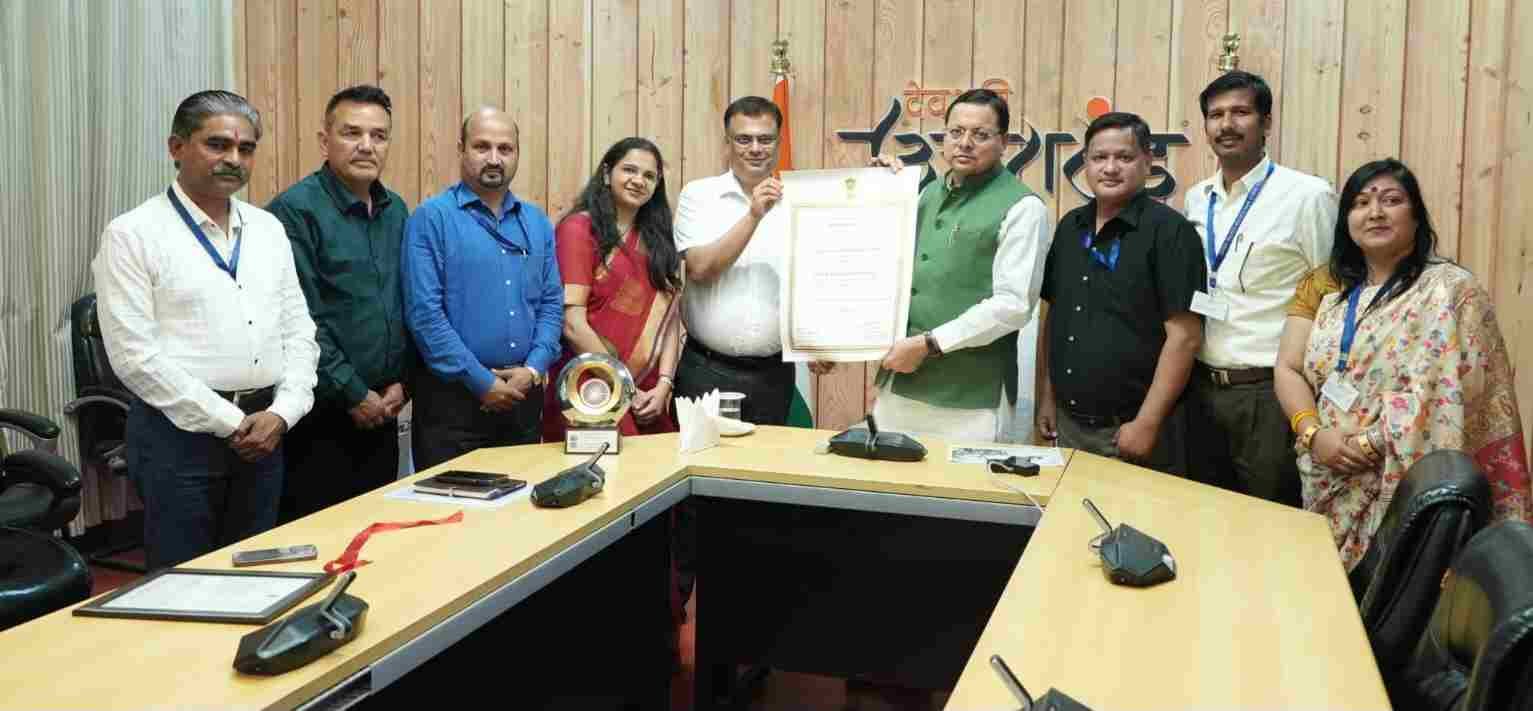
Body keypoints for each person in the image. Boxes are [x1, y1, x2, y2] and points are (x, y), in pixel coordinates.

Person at [92, 90, 319, 570]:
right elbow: (135, 357)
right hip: (179, 439)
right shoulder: (133, 234)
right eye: (217, 144)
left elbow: (298, 330)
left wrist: (284, 412)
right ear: (176, 147)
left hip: (267, 431)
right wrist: (232, 422)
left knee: (255, 572)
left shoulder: (268, 229)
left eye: (246, 148)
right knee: (184, 581)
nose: (234, 158)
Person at [1276, 158, 1530, 569]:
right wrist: (1315, 435)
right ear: (1346, 222)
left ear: (1416, 217)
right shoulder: (1333, 299)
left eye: (1391, 200)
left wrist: (1364, 445)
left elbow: (1447, 397)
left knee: (1399, 598)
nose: (1375, 212)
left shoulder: (1449, 290)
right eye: (1361, 203)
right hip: (1327, 475)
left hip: (1404, 484)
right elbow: (1295, 371)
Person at [1182, 71, 1338, 505]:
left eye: (1240, 112)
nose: (1226, 124)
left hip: (1270, 394)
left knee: (1271, 518)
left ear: (1266, 122)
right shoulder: (1197, 199)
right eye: (1216, 115)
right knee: (1205, 515)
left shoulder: (1307, 196)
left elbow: (1334, 298)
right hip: (1202, 386)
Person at [866, 87, 1051, 442]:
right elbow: (884, 264)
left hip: (971, 399)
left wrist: (930, 344)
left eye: (980, 134)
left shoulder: (1023, 208)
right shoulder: (925, 193)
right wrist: (877, 191)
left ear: (1004, 142)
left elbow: (1013, 306)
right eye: (956, 132)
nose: (965, 143)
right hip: (900, 387)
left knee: (963, 480)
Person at [269, 85, 414, 520]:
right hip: (321, 415)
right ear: (324, 141)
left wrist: (403, 383)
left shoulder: (396, 210)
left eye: (379, 135)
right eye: (352, 133)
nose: (367, 145)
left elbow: (406, 303)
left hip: (383, 411)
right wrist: (354, 393)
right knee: (319, 537)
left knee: (375, 533)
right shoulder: (294, 211)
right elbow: (301, 317)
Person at [1037, 112, 1205, 474]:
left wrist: (1147, 423)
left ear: (1148, 162)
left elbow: (1186, 337)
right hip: (1069, 425)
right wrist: (1047, 397)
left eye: (1124, 157)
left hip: (1132, 430)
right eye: (1099, 157)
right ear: (1085, 162)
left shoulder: (1171, 233)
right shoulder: (1070, 228)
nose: (1110, 168)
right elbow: (1054, 318)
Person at [402, 108, 562, 470]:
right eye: (482, 147)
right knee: (450, 504)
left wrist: (533, 369)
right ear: (461, 149)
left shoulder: (536, 222)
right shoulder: (432, 218)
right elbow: (424, 314)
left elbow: (551, 304)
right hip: (453, 402)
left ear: (517, 154)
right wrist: (481, 381)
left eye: (505, 149)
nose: (494, 159)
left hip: (522, 396)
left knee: (520, 502)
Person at [671, 96, 832, 426]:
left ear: (778, 143)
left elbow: (813, 279)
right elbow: (700, 269)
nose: (756, 148)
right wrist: (754, 215)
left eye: (765, 139)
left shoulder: (801, 202)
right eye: (744, 139)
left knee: (767, 460)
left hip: (775, 374)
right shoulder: (699, 195)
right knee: (702, 459)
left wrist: (817, 341)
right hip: (707, 369)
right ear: (727, 143)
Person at [542, 137, 683, 442]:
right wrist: (625, 386)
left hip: (647, 395)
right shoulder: (579, 230)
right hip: (589, 386)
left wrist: (664, 385)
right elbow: (572, 324)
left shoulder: (656, 241)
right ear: (607, 174)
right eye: (629, 170)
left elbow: (668, 319)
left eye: (649, 176)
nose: (639, 181)